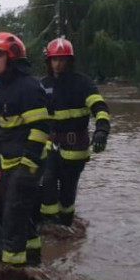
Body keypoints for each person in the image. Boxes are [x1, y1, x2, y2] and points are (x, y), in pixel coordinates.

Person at [0, 32, 50, 267]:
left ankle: (13, 270)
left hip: (25, 164)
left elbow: (41, 128)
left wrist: (27, 166)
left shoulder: (28, 87)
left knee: (12, 216)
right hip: (11, 164)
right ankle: (32, 257)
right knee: (16, 212)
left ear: (12, 56)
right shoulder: (6, 87)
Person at [40, 37, 110, 226]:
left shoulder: (83, 84)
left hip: (75, 146)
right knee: (47, 181)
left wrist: (101, 130)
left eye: (62, 60)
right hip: (50, 144)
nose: (58, 64)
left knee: (68, 189)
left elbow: (99, 107)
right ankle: (49, 224)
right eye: (54, 59)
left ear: (69, 61)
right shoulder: (43, 84)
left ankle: (66, 223)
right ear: (49, 61)